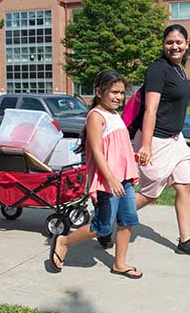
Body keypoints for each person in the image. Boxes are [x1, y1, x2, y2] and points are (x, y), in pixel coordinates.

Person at [49, 70, 143, 278]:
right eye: (114, 92)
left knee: (127, 221)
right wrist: (110, 178)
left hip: (124, 179)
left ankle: (119, 263)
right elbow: (98, 151)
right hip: (108, 181)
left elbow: (117, 146)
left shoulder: (114, 115)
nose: (119, 97)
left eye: (121, 93)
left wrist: (134, 156)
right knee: (102, 227)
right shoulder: (96, 117)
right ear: (99, 92)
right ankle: (63, 241)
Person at [133, 24, 190, 259]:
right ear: (163, 44)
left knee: (184, 185)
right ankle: (107, 217)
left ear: (187, 44)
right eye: (169, 42)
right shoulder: (158, 70)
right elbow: (151, 109)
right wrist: (145, 145)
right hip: (156, 139)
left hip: (175, 140)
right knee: (150, 194)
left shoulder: (179, 69)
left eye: (178, 42)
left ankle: (185, 241)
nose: (174, 46)